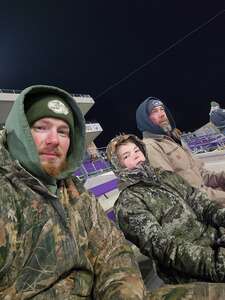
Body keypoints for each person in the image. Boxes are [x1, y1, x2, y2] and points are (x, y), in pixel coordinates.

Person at [0, 85, 147, 299]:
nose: (54, 140)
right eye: (41, 127)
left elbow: (113, 251)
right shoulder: (5, 193)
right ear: (20, 131)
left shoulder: (73, 189)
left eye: (63, 131)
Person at [106, 133, 225, 284]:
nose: (136, 156)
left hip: (215, 239)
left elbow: (204, 205)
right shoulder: (128, 203)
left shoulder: (167, 177)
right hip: (191, 269)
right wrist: (216, 264)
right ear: (118, 165)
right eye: (126, 156)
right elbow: (163, 247)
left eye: (137, 151)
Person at [136, 96, 225, 207]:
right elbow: (179, 191)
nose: (162, 114)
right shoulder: (151, 147)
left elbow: (201, 174)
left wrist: (222, 177)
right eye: (154, 111)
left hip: (206, 192)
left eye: (162, 109)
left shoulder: (172, 140)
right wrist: (219, 196)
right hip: (199, 204)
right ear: (145, 119)